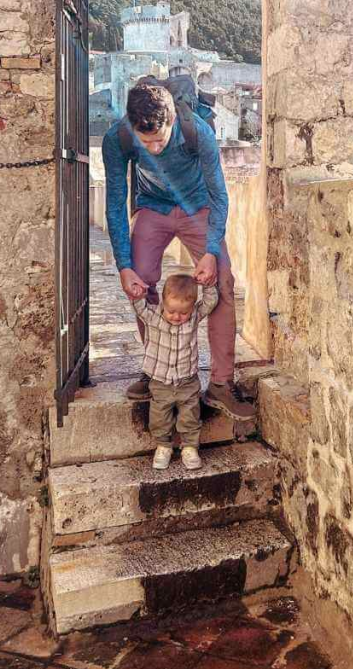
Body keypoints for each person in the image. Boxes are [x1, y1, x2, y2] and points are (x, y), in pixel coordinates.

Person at [101, 81, 255, 421]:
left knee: (223, 283)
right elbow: (113, 203)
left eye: (160, 139)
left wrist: (212, 251)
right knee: (140, 282)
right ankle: (156, 369)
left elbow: (219, 197)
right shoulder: (118, 139)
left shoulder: (196, 131)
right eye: (146, 142)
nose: (153, 149)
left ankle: (220, 384)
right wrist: (123, 266)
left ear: (172, 120)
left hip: (197, 206)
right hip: (153, 207)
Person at [132, 274, 217, 470]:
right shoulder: (153, 316)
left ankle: (189, 447)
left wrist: (208, 285)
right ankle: (163, 445)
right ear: (163, 301)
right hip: (161, 381)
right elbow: (139, 308)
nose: (177, 316)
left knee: (190, 415)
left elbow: (210, 302)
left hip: (187, 380)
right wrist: (138, 293)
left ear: (192, 308)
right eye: (171, 311)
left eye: (183, 312)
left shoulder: (194, 317)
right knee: (160, 416)